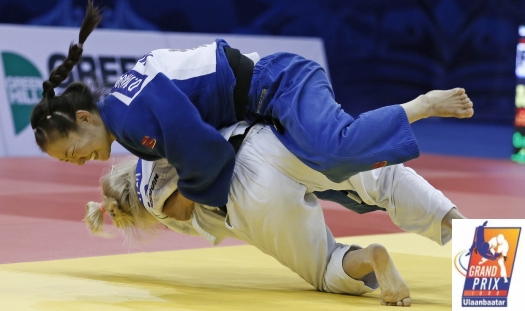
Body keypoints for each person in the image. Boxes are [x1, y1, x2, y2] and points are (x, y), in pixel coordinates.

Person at [31, 0, 474, 210]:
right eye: (67, 162)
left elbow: (200, 145)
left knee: (335, 150)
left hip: (280, 83)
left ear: (84, 118)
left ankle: (423, 105)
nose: (77, 162)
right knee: (328, 180)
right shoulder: (121, 106)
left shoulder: (125, 116)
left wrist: (186, 197)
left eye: (71, 151)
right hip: (260, 106)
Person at [86, 122, 467, 307]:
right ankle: (474, 235)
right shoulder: (158, 136)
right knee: (383, 177)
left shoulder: (157, 202)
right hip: (268, 137)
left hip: (250, 197)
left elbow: (188, 200)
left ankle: (369, 258)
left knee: (324, 267)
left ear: (132, 214)